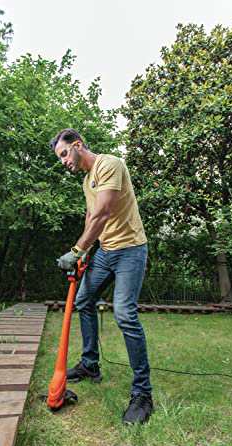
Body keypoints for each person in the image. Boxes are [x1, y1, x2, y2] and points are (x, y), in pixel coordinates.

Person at [50, 128, 153, 425]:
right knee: (84, 301)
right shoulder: (86, 181)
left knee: (124, 313)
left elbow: (104, 212)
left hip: (131, 250)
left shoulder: (110, 164)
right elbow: (90, 218)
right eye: (60, 158)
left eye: (65, 153)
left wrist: (77, 249)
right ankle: (90, 364)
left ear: (78, 145)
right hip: (106, 253)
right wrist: (83, 253)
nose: (64, 161)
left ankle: (143, 394)